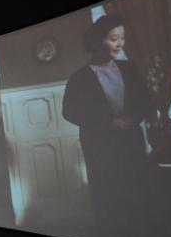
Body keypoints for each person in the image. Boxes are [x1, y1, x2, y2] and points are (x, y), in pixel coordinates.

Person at [62, 14, 152, 223]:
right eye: (114, 38)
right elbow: (69, 112)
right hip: (100, 146)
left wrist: (133, 118)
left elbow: (145, 101)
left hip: (131, 142)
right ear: (97, 41)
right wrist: (108, 122)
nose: (120, 44)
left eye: (122, 38)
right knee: (109, 199)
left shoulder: (130, 68)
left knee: (137, 195)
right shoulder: (79, 77)